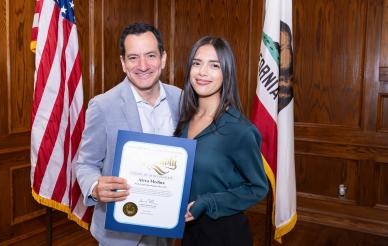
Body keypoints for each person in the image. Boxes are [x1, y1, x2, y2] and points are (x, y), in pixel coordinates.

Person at [75, 22, 181, 246]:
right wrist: (95, 187)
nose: (143, 65)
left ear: (163, 58)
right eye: (133, 57)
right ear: (123, 63)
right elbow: (85, 163)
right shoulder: (102, 106)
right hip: (119, 236)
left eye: (150, 55)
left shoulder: (180, 100)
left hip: (166, 231)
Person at [174, 36, 268, 246]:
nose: (202, 72)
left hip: (224, 235)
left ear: (226, 72)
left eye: (214, 65)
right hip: (188, 232)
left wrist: (208, 202)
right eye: (197, 63)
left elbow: (257, 187)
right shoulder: (184, 120)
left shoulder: (240, 130)